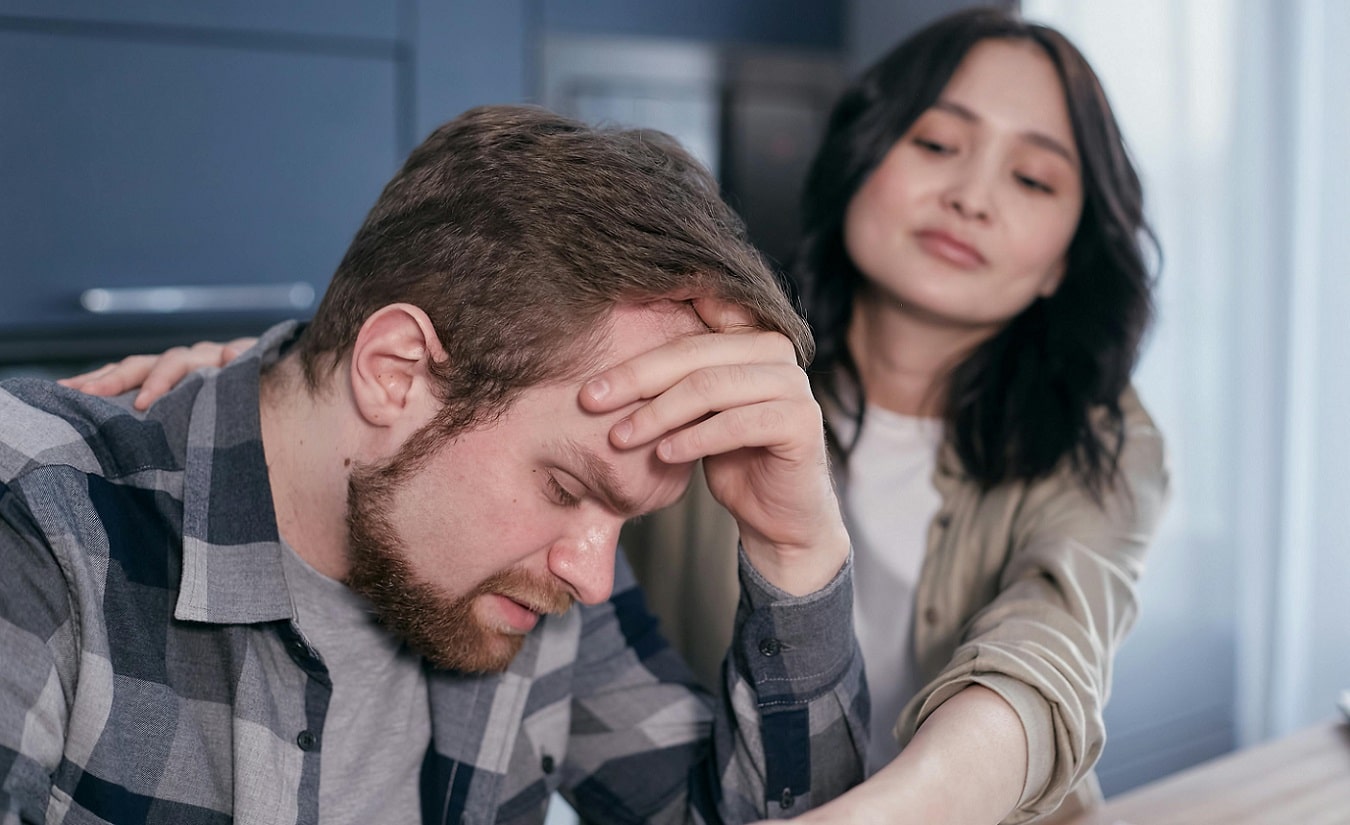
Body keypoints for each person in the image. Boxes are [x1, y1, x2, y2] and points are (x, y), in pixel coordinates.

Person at [68, 8, 1172, 823]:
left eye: (1033, 179)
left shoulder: (1099, 442)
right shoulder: (697, 364)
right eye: (937, 143)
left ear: (1062, 263)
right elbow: (477, 354)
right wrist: (273, 384)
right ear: (864, 159)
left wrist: (802, 552)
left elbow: (1045, 664)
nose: (972, 196)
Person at [0, 105, 870, 825]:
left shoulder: (545, 580)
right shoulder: (38, 519)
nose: (594, 576)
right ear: (396, 374)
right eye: (565, 488)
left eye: (621, 520)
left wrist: (796, 551)